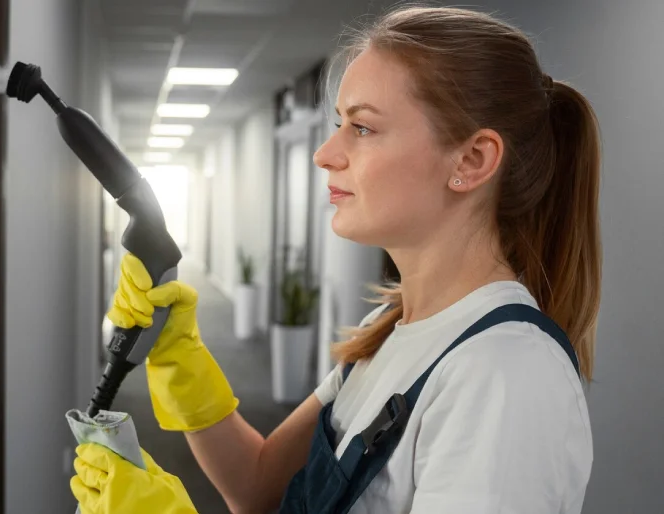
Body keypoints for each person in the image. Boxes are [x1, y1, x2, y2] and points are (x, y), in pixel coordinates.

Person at [69, 5, 601, 514]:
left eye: (362, 127)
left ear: (471, 159)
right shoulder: (390, 328)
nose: (325, 153)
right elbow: (257, 488)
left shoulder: (504, 375)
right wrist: (177, 357)